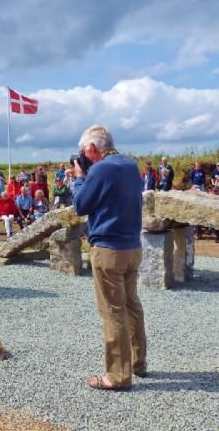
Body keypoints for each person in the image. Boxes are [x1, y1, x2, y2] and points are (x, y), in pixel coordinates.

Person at [72, 124, 146, 391]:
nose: (81, 156)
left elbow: (81, 205)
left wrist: (80, 177)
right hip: (132, 247)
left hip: (108, 249)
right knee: (131, 306)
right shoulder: (129, 165)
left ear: (92, 148)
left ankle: (117, 376)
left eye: (83, 152)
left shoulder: (101, 169)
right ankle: (138, 362)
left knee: (112, 311)